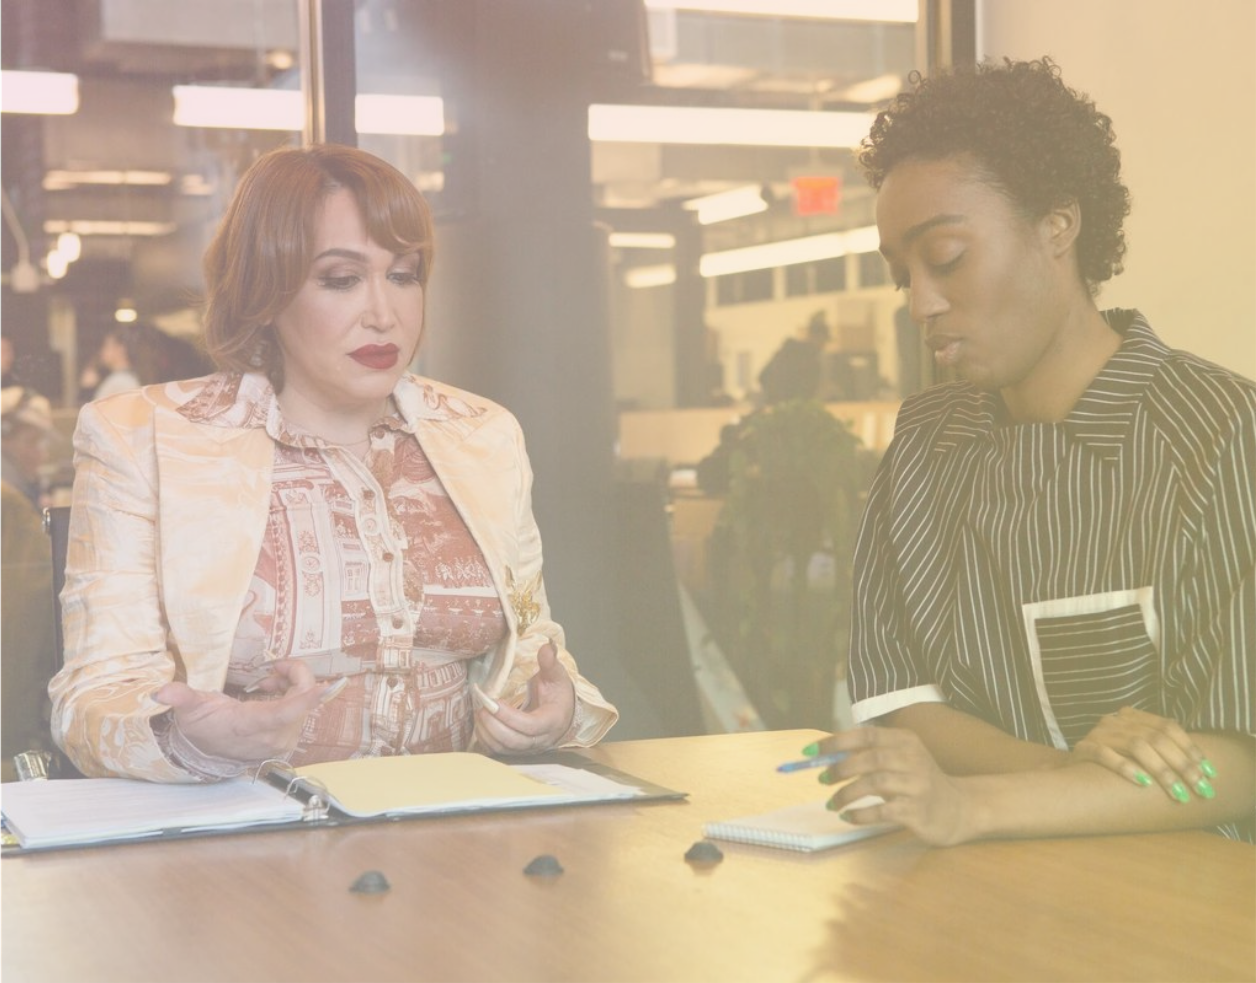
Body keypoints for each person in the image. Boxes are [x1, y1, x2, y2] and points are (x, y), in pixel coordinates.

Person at [49, 144, 618, 782]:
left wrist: (556, 710)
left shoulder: (481, 435)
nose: (385, 314)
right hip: (247, 837)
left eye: (403, 276)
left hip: (455, 823)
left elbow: (531, 646)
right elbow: (92, 701)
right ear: (266, 292)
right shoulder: (142, 438)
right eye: (341, 279)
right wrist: (193, 738)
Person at [801, 58, 1255, 845]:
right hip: (980, 905)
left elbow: (1237, 758)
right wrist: (1067, 774)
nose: (921, 302)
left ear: (1058, 225)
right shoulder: (923, 445)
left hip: (1183, 925)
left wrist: (973, 805)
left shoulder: (1220, 433)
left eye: (944, 257)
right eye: (900, 273)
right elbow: (902, 702)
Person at [0, 385, 54, 508]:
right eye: (32, 441)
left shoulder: (25, 483)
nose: (42, 453)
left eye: (43, 442)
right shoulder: (8, 492)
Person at [78, 325, 146, 401]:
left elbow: (92, 412)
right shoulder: (121, 379)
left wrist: (88, 390)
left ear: (120, 349)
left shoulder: (121, 381)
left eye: (106, 346)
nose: (102, 352)